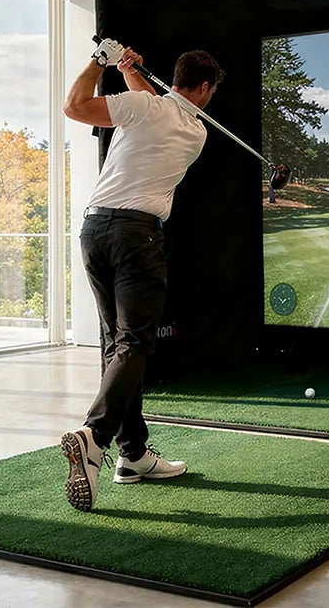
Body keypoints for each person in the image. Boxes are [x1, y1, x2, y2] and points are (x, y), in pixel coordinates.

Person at [57, 39, 221, 512]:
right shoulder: (195, 133)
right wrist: (122, 69)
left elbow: (82, 105)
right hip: (137, 236)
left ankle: (132, 456)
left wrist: (103, 61)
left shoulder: (143, 108)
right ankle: (96, 434)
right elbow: (120, 109)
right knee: (134, 343)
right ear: (205, 89)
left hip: (95, 230)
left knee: (116, 345)